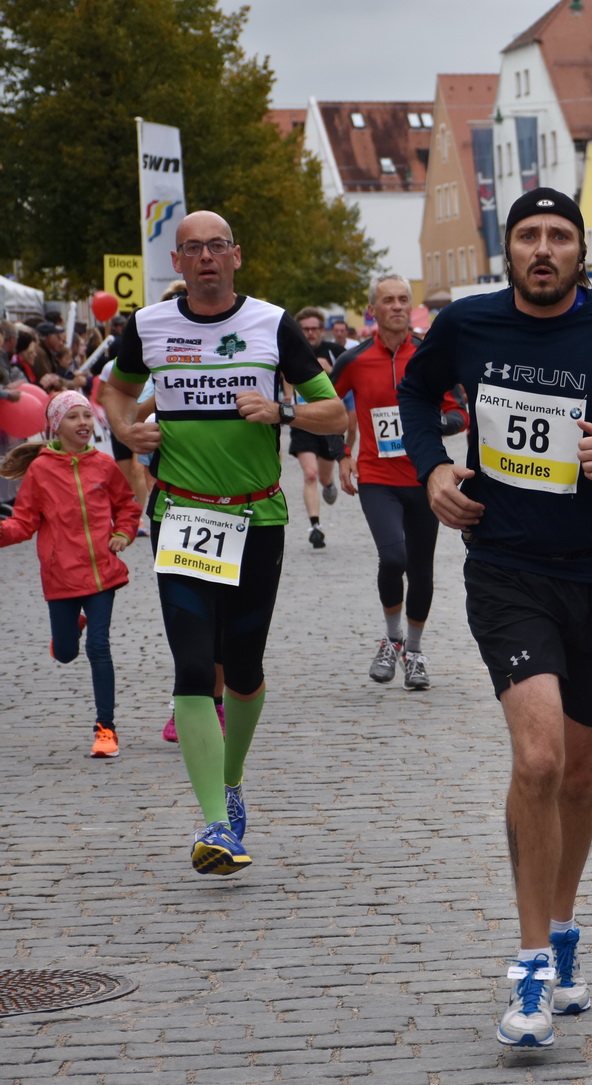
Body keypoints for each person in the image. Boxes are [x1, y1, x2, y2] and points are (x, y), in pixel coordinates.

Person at [397, 187, 592, 1047]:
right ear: (508, 249)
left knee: (578, 776)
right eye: (527, 235)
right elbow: (417, 397)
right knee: (537, 756)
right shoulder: (470, 325)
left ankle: (562, 931)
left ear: (579, 251)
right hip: (506, 569)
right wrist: (431, 470)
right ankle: (530, 968)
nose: (542, 248)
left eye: (558, 236)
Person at [102, 209, 347, 876]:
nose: (206, 257)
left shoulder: (271, 323)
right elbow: (114, 392)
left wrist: (283, 410)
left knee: (241, 667)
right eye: (192, 249)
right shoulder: (149, 326)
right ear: (176, 263)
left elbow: (335, 411)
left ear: (236, 256)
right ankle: (215, 822)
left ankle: (232, 779)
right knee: (190, 664)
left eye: (216, 246)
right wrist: (128, 431)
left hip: (256, 519)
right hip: (179, 514)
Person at [334, 274, 467, 689]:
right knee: (394, 558)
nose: (396, 306)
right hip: (376, 476)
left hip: (424, 476)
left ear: (411, 307)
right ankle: (391, 640)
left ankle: (414, 650)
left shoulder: (430, 356)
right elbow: (323, 407)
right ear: (372, 311)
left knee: (421, 567)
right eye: (388, 300)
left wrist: (436, 423)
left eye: (403, 300)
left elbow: (459, 412)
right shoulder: (354, 360)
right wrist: (341, 455)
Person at [1, 392, 141, 758]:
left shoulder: (105, 465)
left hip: (103, 573)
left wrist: (123, 532)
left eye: (86, 416)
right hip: (61, 575)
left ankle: (106, 728)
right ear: (56, 426)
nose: (83, 422)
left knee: (99, 647)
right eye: (73, 417)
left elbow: (126, 505)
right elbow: (23, 522)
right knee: (65, 653)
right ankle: (69, 630)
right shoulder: (41, 471)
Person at [290, 309, 347, 547]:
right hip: (301, 421)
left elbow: (349, 386)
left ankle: (330, 483)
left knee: (323, 476)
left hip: (328, 423)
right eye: (305, 329)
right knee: (310, 474)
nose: (310, 333)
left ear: (322, 330)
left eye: (314, 329)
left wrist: (331, 370)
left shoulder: (335, 353)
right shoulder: (290, 352)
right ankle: (315, 526)